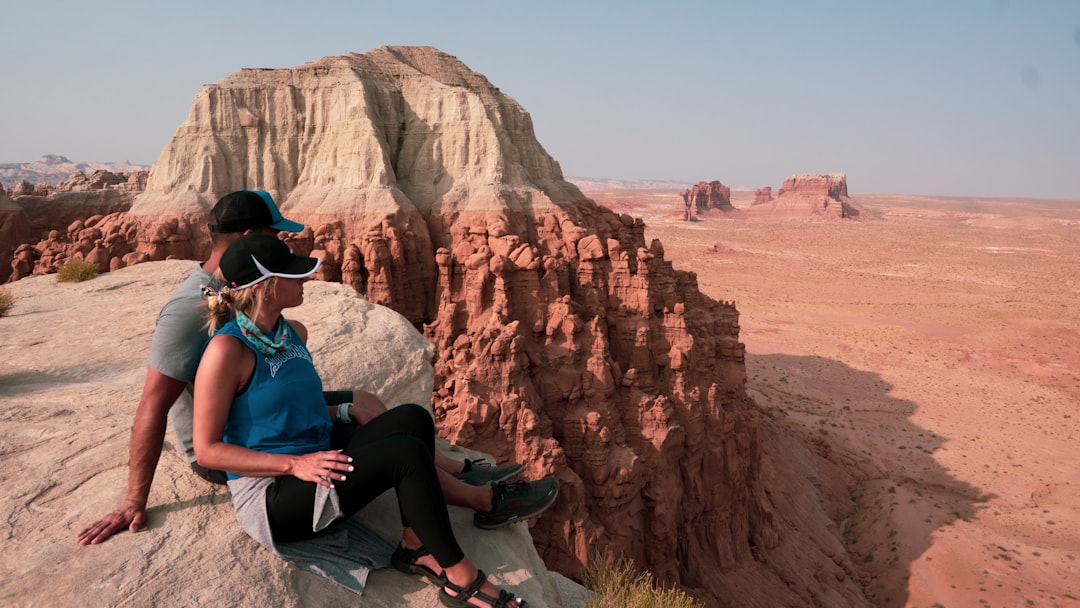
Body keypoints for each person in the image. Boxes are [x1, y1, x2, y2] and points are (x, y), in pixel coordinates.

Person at [77, 190, 552, 546]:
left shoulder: (237, 292)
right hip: (235, 442)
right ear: (251, 241)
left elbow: (272, 358)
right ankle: (471, 499)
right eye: (277, 238)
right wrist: (134, 501)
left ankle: (458, 471)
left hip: (256, 406)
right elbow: (153, 405)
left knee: (365, 406)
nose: (285, 244)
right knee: (375, 438)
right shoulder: (188, 310)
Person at [194, 234, 537, 607]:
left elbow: (288, 406)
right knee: (404, 455)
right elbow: (208, 450)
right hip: (275, 494)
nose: (305, 279)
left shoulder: (290, 334)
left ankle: (415, 543)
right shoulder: (227, 350)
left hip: (315, 457)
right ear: (265, 287)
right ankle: (460, 578)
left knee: (412, 418)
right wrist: (294, 464)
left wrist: (343, 411)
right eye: (293, 275)